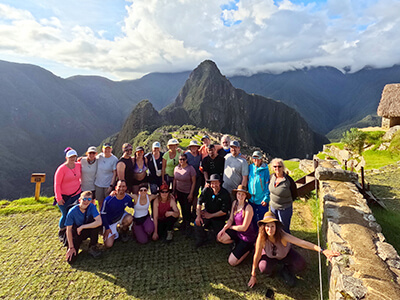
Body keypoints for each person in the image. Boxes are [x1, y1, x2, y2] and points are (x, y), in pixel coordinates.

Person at [248, 211, 340, 287]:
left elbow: (302, 243)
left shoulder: (283, 236)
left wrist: (322, 250)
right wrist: (253, 274)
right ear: (264, 227)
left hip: (285, 255)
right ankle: (275, 269)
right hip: (270, 256)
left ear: (276, 226)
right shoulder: (261, 236)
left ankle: (285, 269)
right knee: (263, 267)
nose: (270, 229)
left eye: (272, 226)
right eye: (267, 226)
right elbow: (257, 254)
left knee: (301, 264)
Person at [217, 185, 257, 266]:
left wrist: (231, 227)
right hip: (237, 232)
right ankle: (237, 243)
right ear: (236, 194)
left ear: (246, 196)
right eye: (239, 194)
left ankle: (249, 249)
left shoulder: (248, 208)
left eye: (243, 194)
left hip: (247, 237)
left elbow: (244, 228)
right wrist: (223, 229)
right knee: (220, 238)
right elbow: (231, 219)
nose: (240, 196)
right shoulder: (234, 203)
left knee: (232, 262)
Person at [65, 191, 102, 264]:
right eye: (84, 199)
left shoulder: (92, 207)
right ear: (79, 200)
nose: (86, 201)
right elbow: (68, 230)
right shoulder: (72, 211)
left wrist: (83, 227)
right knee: (71, 260)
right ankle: (74, 245)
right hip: (76, 232)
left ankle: (92, 246)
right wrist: (71, 247)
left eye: (89, 199)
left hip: (85, 229)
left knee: (95, 226)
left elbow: (99, 222)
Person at [195, 174, 231, 247]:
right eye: (212, 183)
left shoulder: (225, 193)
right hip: (207, 213)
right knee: (197, 223)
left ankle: (212, 235)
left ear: (220, 183)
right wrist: (198, 216)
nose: (214, 185)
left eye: (216, 183)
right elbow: (199, 202)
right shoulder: (206, 190)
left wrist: (210, 216)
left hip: (219, 217)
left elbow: (224, 211)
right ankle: (201, 239)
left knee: (219, 237)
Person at [54, 148, 82, 242]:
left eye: (74, 156)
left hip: (76, 194)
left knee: (75, 213)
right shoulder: (61, 169)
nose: (72, 158)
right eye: (70, 157)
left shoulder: (78, 165)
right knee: (65, 214)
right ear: (66, 157)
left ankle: (72, 230)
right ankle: (62, 230)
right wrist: (58, 198)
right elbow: (57, 184)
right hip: (64, 197)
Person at [101, 180, 134, 248]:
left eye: (123, 186)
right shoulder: (109, 199)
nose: (121, 188)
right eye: (119, 186)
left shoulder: (127, 198)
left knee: (129, 218)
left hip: (120, 216)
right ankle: (110, 232)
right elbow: (103, 215)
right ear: (116, 187)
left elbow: (134, 205)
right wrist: (107, 228)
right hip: (110, 222)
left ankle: (123, 231)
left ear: (126, 188)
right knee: (108, 245)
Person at [269, 158, 297, 233]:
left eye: (279, 166)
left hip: (284, 208)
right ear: (272, 167)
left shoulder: (288, 180)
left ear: (283, 167)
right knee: (274, 226)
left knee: (284, 228)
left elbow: (294, 193)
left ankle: (286, 244)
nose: (277, 168)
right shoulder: (272, 177)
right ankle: (277, 242)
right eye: (275, 166)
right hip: (273, 207)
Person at [173, 153, 196, 232]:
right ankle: (184, 222)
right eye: (180, 159)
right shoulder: (176, 168)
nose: (182, 161)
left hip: (187, 192)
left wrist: (191, 193)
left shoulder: (190, 169)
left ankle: (188, 224)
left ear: (186, 160)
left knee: (187, 208)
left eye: (183, 159)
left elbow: (193, 182)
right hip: (179, 191)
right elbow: (175, 180)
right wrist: (174, 190)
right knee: (182, 207)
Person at [248, 151, 270, 225]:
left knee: (262, 219)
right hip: (251, 199)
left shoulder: (265, 170)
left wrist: (266, 198)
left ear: (261, 159)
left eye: (258, 158)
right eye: (254, 158)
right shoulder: (250, 167)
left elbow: (267, 184)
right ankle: (255, 235)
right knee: (252, 218)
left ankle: (263, 234)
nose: (256, 160)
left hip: (261, 200)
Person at [94, 143, 118, 209]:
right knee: (100, 201)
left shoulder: (114, 159)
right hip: (98, 184)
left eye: (109, 149)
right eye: (105, 149)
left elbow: (114, 173)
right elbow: (91, 159)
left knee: (108, 202)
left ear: (111, 149)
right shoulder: (99, 157)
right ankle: (101, 215)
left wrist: (111, 185)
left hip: (108, 184)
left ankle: (108, 216)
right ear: (102, 149)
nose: (107, 150)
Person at [185, 140, 202, 220]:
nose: (193, 148)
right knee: (188, 194)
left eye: (195, 147)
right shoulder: (187, 155)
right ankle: (187, 211)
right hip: (188, 177)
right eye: (192, 147)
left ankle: (194, 210)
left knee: (195, 194)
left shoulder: (199, 155)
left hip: (197, 176)